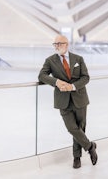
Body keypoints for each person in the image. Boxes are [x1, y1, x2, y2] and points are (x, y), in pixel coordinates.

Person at [38, 34, 98, 169]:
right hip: (63, 100)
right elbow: (42, 75)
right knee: (72, 128)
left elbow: (86, 77)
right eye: (55, 44)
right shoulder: (50, 60)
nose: (57, 46)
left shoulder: (78, 59)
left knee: (80, 127)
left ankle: (77, 158)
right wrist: (56, 82)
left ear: (66, 44)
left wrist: (73, 86)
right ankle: (90, 146)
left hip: (80, 98)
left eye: (59, 43)